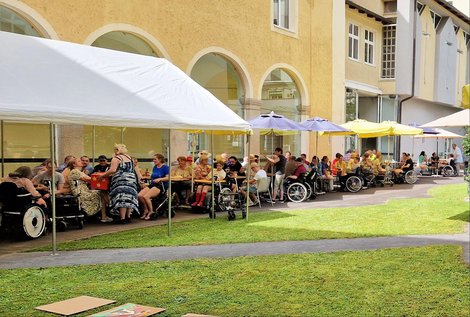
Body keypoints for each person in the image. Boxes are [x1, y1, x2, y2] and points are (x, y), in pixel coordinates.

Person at [98, 144, 140, 223]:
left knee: (122, 198)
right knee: (129, 197)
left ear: (117, 150)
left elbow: (113, 170)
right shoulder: (129, 157)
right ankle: (128, 217)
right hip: (131, 180)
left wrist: (102, 176)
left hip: (121, 180)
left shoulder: (116, 158)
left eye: (115, 149)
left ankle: (122, 218)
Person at [68, 157, 111, 222]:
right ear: (74, 164)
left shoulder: (80, 171)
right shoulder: (75, 171)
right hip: (80, 193)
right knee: (102, 192)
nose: (81, 162)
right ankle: (109, 209)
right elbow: (89, 179)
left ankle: (105, 215)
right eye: (79, 161)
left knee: (102, 192)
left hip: (85, 191)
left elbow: (90, 179)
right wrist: (102, 176)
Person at [138, 153, 169, 220]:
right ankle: (146, 209)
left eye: (155, 159)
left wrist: (160, 179)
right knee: (140, 195)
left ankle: (151, 211)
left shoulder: (165, 167)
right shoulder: (155, 167)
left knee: (146, 196)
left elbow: (168, 177)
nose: (153, 160)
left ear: (160, 159)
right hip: (153, 184)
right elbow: (153, 177)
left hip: (161, 185)